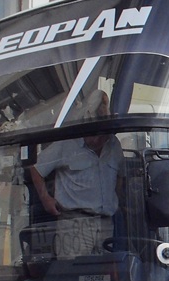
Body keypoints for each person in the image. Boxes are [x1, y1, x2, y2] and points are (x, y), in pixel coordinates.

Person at [30, 90, 123, 259]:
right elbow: (36, 168)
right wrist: (46, 199)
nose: (97, 140)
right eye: (94, 134)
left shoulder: (114, 145)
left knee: (106, 275)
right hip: (75, 224)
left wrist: (115, 199)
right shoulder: (67, 143)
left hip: (106, 224)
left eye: (102, 135)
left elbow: (120, 176)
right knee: (73, 273)